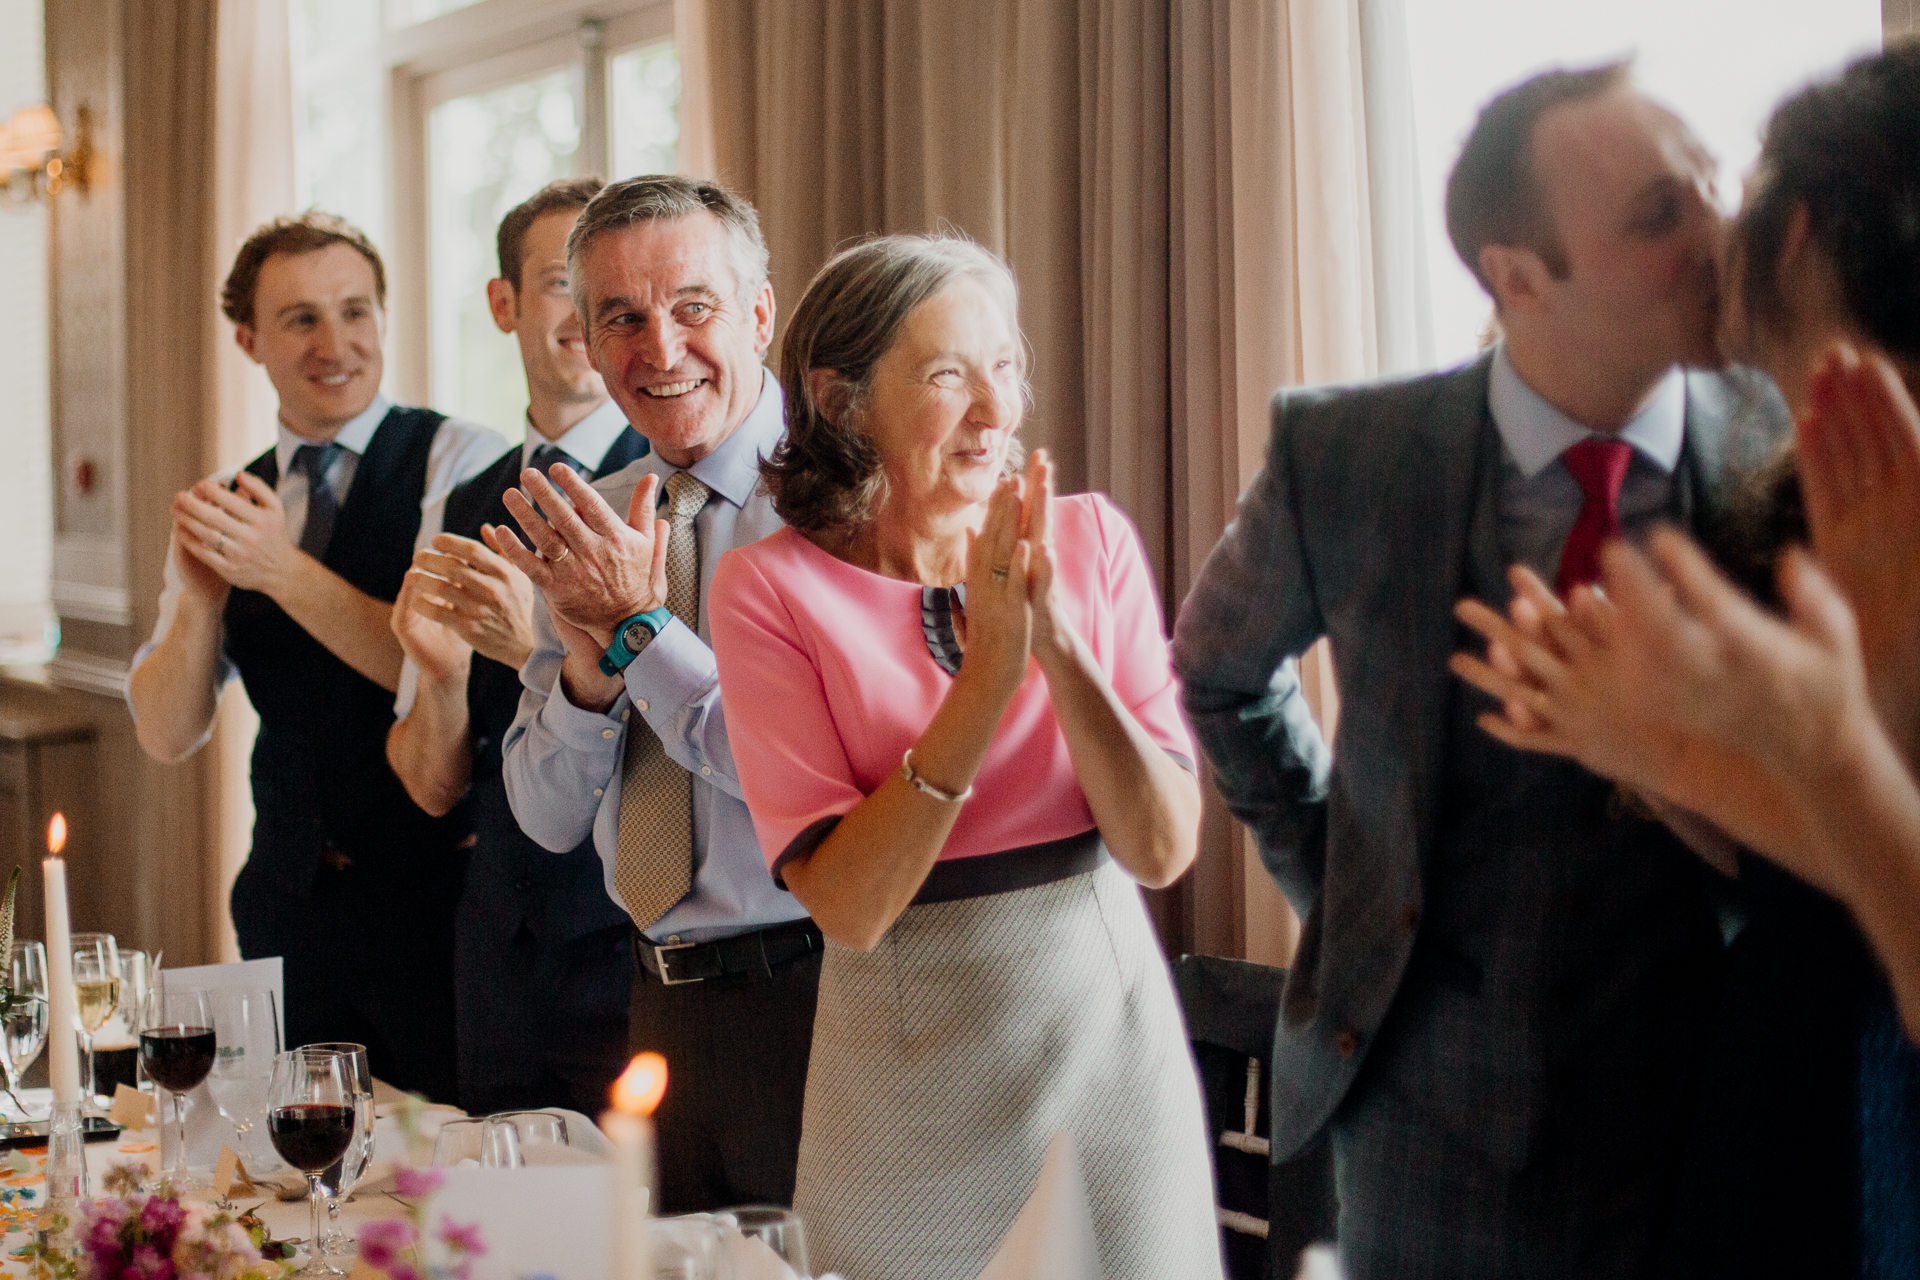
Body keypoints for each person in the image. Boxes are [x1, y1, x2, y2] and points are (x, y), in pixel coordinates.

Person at [1172, 64, 1788, 1278]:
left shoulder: (1791, 441)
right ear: (1519, 277)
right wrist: (1347, 877)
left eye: (1713, 188)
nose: (1722, 235)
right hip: (1429, 1133)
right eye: (1662, 213)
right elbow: (1219, 671)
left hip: (1724, 1105)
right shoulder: (1345, 453)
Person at [1452, 43, 1920, 1278]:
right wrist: (1645, 751)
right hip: (1784, 1079)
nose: (1715, 234)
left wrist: (1672, 748)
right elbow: (1818, 870)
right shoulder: (1815, 485)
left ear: (1809, 232)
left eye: (1732, 184)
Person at [708, 234, 1223, 1280]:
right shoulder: (766, 590)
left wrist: (1058, 643)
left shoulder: (1091, 540)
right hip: (903, 1072)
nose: (997, 409)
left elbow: (1163, 846)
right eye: (948, 375)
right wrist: (988, 680)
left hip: (1107, 1043)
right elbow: (851, 905)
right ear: (841, 399)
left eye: (1006, 368)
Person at [126, 213, 504, 1102]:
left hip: (438, 906)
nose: (335, 344)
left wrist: (280, 571)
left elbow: (433, 666)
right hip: (288, 905)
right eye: (301, 320)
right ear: (249, 339)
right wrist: (205, 604)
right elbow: (166, 731)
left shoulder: (462, 461)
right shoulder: (231, 500)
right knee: (299, 1181)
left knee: (439, 1176)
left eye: (355, 312)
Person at [492, 176, 815, 1211]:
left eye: (692, 307)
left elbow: (791, 773)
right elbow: (543, 818)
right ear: (584, 340)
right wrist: (588, 680)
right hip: (657, 1004)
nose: (660, 349)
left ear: (760, 313)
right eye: (621, 318)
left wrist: (642, 626)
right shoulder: (589, 520)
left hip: (818, 995)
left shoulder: (840, 503)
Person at [386, 178, 650, 1115]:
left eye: (606, 290)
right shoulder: (465, 502)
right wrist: (442, 672)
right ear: (503, 305)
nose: (585, 313)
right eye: (557, 283)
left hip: (630, 949)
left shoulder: (671, 486)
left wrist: (521, 647)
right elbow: (430, 784)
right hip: (496, 950)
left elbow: (708, 727)